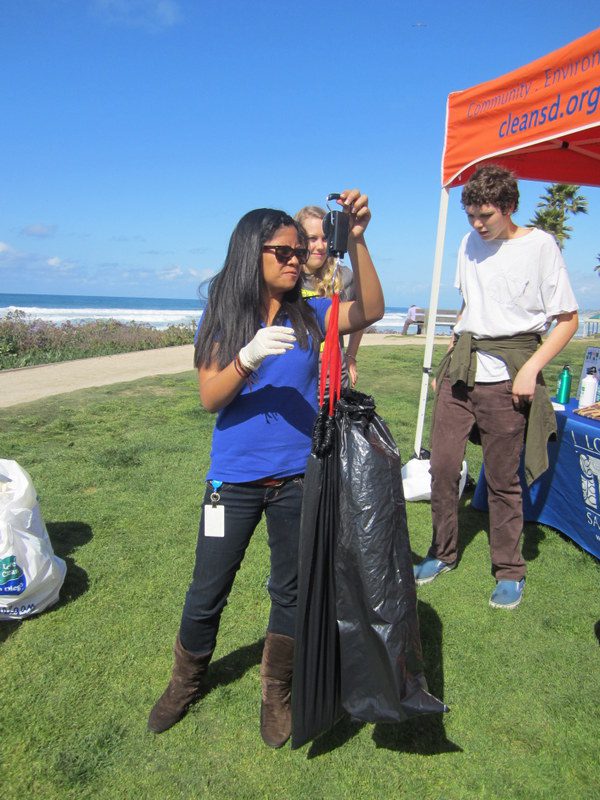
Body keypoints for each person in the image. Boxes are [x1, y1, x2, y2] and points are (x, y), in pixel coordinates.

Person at [148, 190, 384, 746]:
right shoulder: (224, 316)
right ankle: (185, 682)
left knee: (291, 590)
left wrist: (358, 240)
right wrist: (247, 356)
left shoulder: (312, 314)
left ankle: (276, 691)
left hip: (297, 478)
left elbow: (371, 309)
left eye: (300, 251)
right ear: (251, 253)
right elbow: (210, 397)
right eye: (283, 252)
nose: (296, 260)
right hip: (232, 480)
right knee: (208, 587)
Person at [413, 164, 578, 609]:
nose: (477, 224)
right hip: (462, 371)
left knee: (503, 479)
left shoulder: (540, 246)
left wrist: (531, 369)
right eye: (470, 215)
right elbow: (469, 304)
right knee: (442, 468)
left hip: (509, 375)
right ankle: (442, 552)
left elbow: (567, 320)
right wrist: (451, 354)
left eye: (485, 215)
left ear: (509, 207)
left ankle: (509, 569)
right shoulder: (468, 243)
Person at [294, 205, 364, 388]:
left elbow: (363, 316)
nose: (320, 246)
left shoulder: (343, 276)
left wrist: (351, 356)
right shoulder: (288, 276)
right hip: (297, 375)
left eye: (325, 239)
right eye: (312, 239)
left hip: (332, 377)